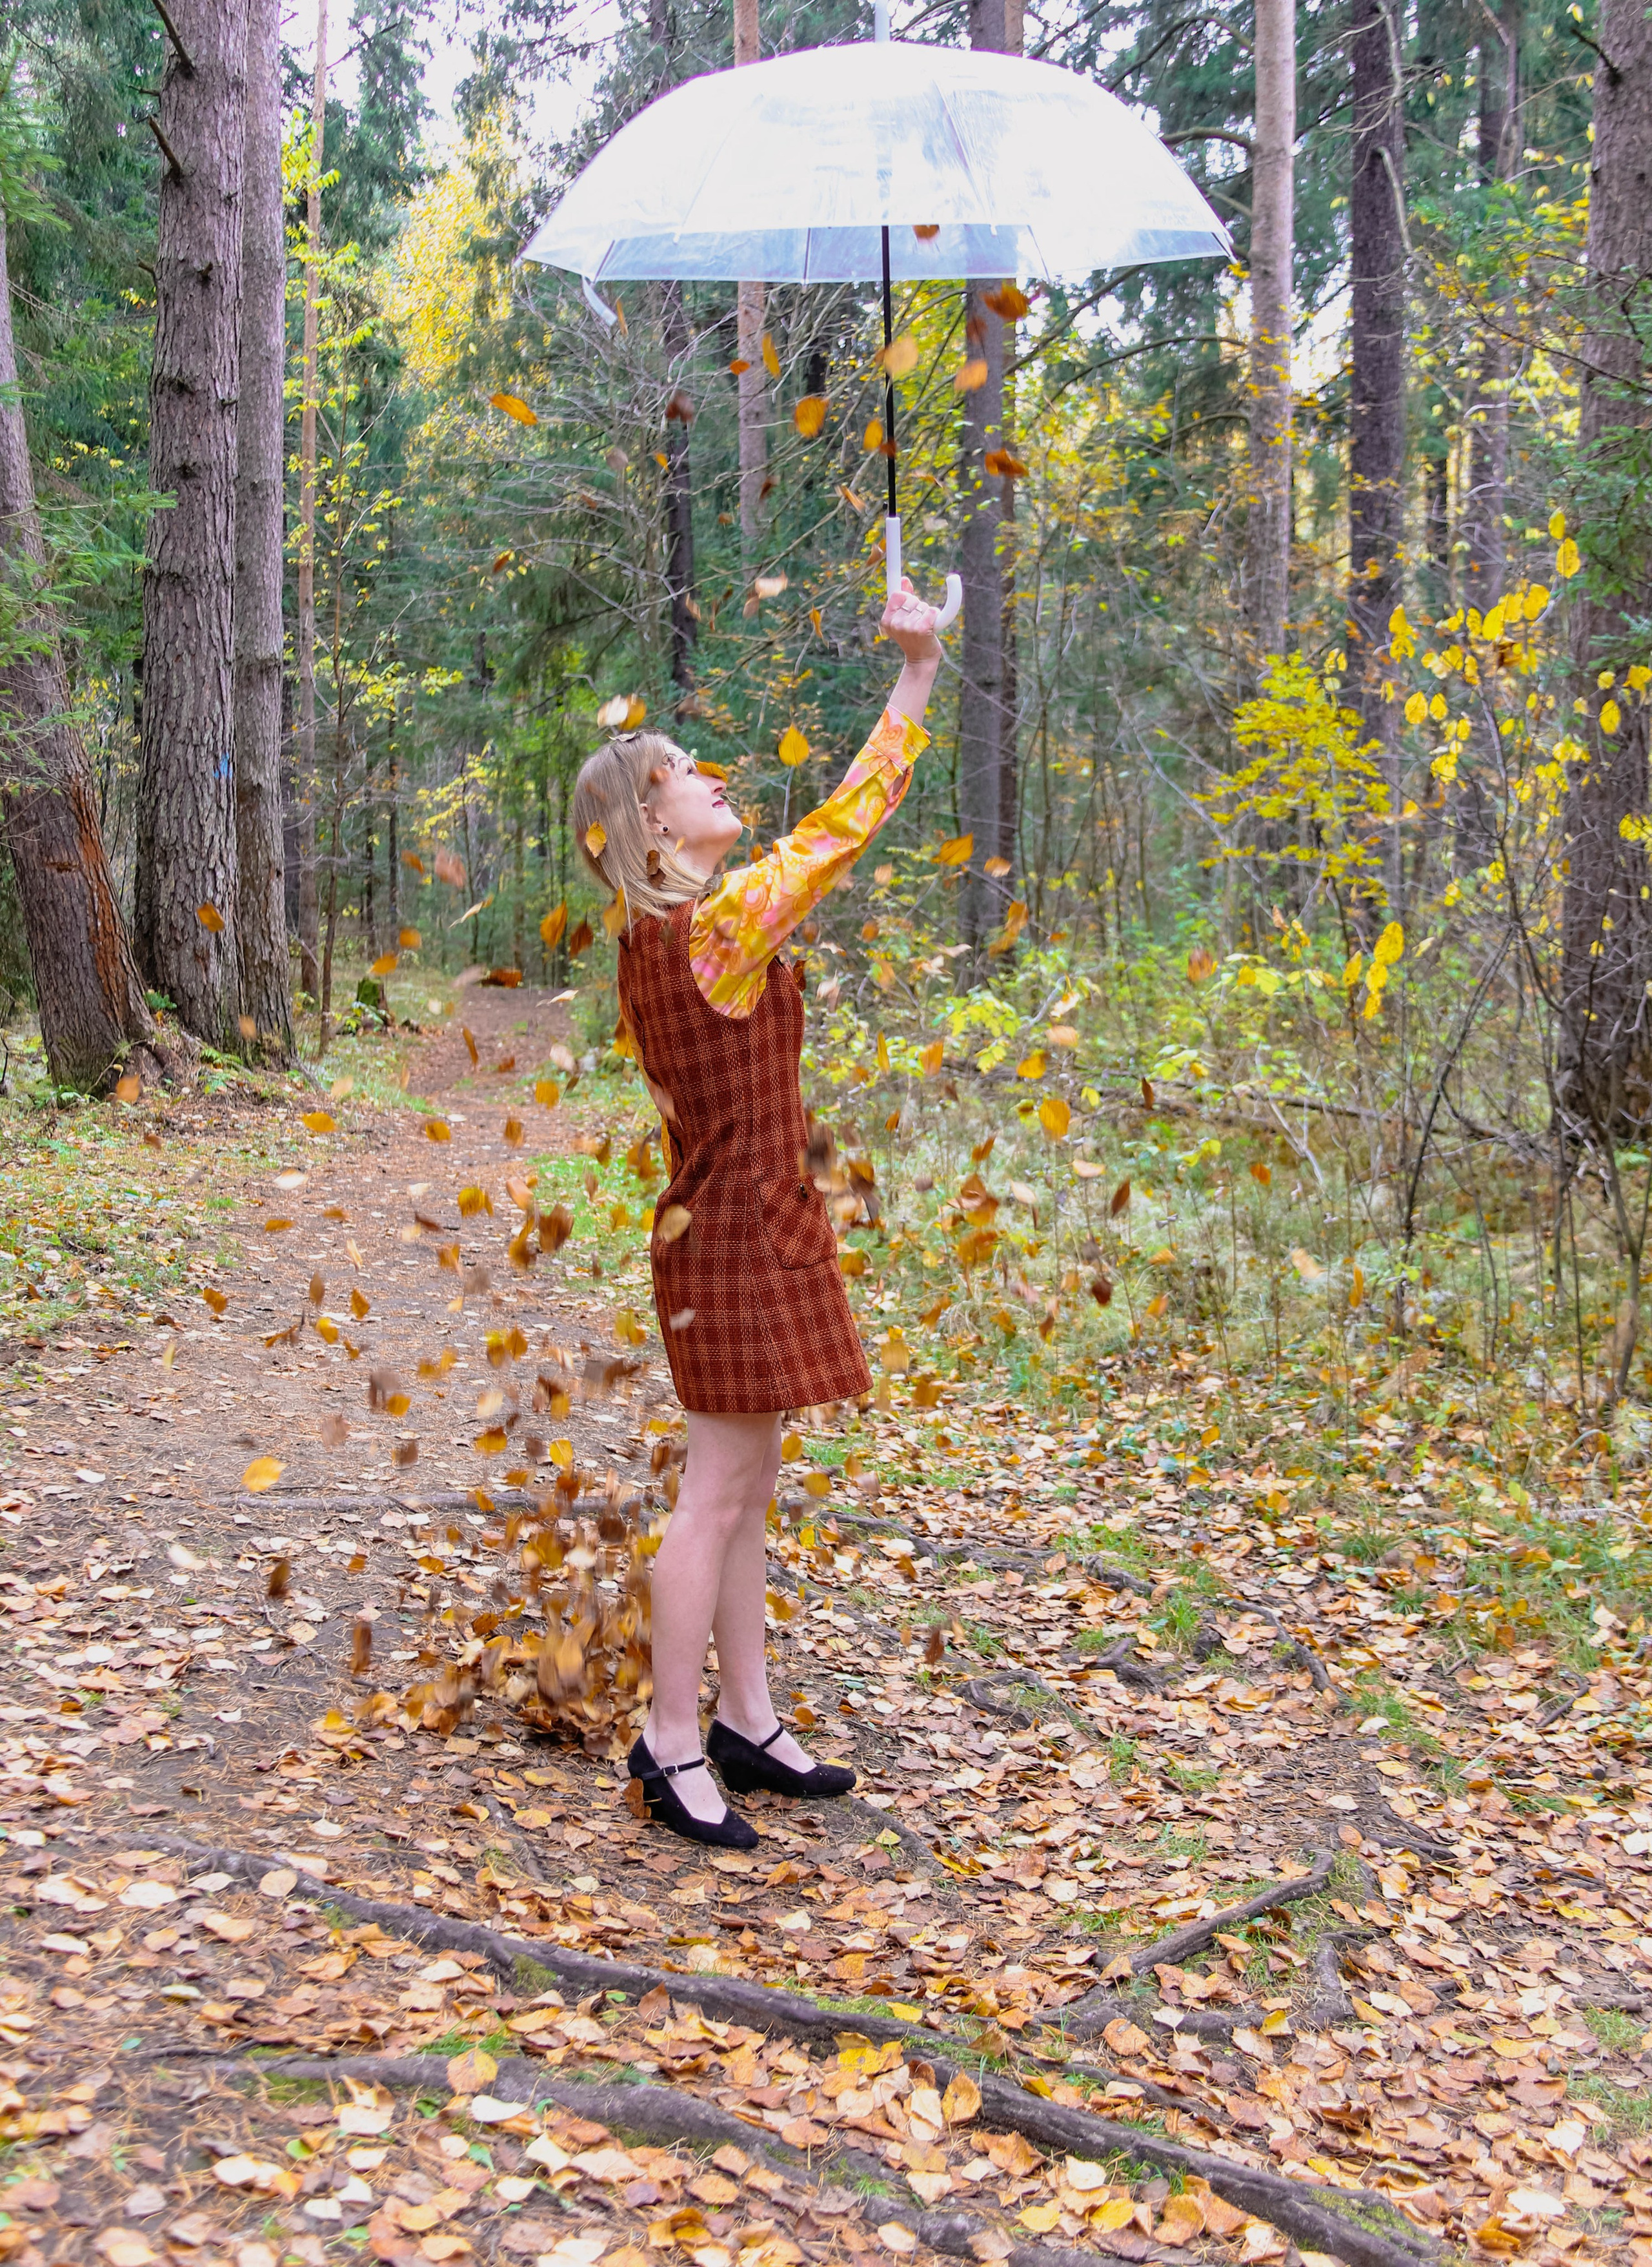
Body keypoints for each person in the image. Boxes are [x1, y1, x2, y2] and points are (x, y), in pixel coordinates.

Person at [569, 580, 945, 1847]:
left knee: (744, 1479)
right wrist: (915, 673)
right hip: (730, 1239)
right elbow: (842, 828)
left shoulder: (648, 939)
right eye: (684, 774)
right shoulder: (715, 925)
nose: (711, 779)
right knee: (717, 1491)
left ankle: (745, 1714)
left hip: (723, 1232)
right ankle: (671, 1740)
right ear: (648, 825)